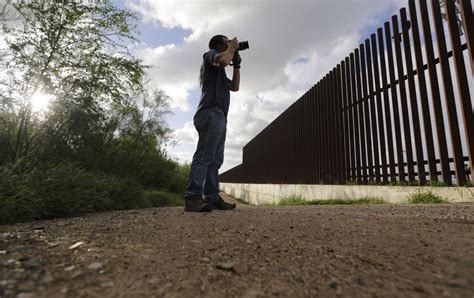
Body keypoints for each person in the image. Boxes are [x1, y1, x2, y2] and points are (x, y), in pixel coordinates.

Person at [184, 35, 241, 212]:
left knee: (215, 160)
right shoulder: (209, 55)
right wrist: (232, 49)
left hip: (220, 115)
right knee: (204, 156)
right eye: (227, 41)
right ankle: (193, 197)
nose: (230, 43)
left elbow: (235, 87)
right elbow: (223, 61)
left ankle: (212, 197)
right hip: (209, 112)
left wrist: (237, 64)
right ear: (218, 45)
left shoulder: (220, 72)